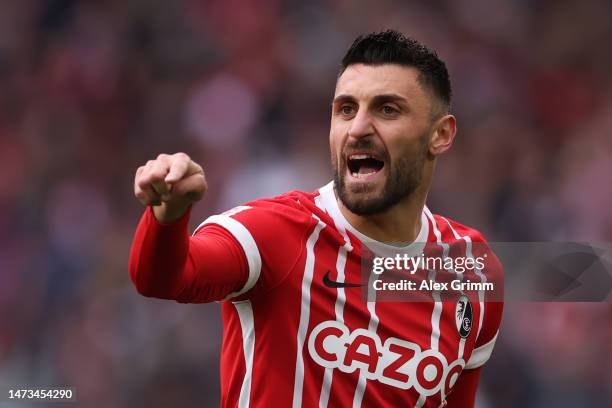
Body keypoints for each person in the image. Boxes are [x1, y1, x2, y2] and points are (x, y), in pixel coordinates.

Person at [129, 30, 503, 407]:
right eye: (345, 109)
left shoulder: (472, 270)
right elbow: (165, 278)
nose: (357, 129)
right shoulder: (275, 232)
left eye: (387, 109)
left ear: (440, 134)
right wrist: (168, 217)